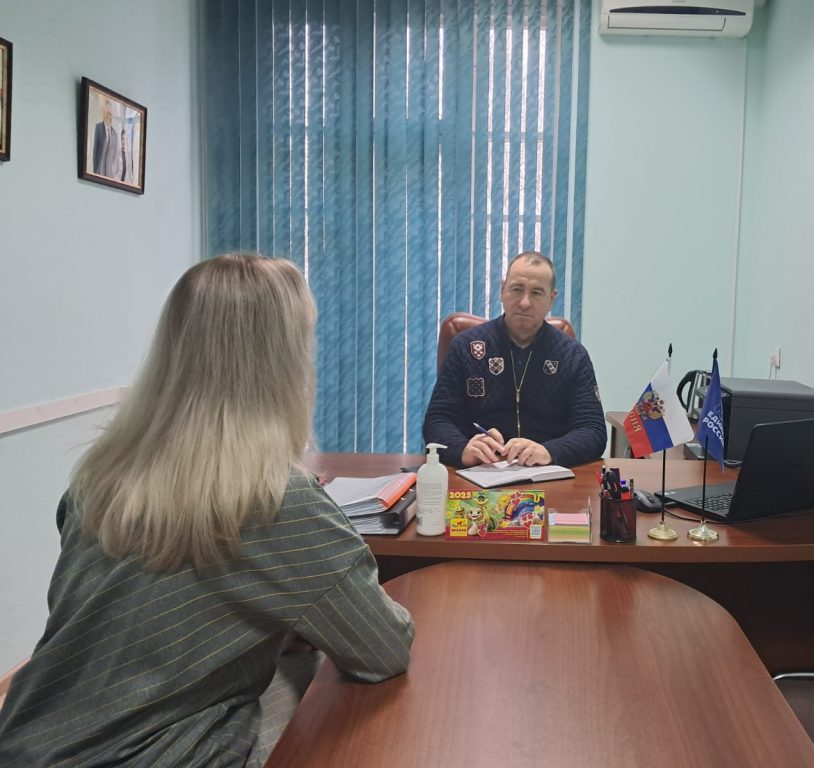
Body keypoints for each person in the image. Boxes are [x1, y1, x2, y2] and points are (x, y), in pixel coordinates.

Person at [0, 254, 415, 767]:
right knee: (331, 703)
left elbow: (123, 618)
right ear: (284, 364)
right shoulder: (278, 498)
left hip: (27, 745)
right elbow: (382, 648)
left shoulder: (98, 476)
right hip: (152, 756)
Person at [423, 251, 607, 468]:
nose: (524, 302)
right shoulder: (465, 347)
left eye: (536, 293)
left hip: (545, 472)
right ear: (502, 291)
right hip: (479, 471)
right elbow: (438, 420)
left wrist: (550, 451)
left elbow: (593, 430)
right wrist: (462, 449)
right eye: (517, 289)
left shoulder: (572, 355)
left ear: (551, 299)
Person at [91, 99, 118, 178]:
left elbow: (114, 157)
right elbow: (95, 151)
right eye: (107, 113)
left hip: (110, 175)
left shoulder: (115, 134)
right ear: (103, 113)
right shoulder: (98, 128)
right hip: (99, 171)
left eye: (110, 114)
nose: (109, 116)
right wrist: (95, 171)